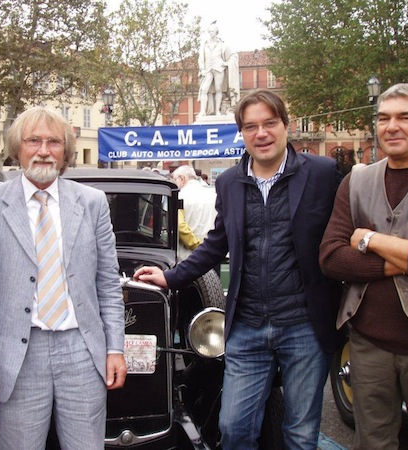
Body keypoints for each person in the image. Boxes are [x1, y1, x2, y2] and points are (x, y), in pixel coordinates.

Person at [134, 89, 343, 449]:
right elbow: (218, 242)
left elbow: (342, 232)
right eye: (251, 126)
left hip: (304, 325)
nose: (261, 133)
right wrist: (170, 276)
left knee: (300, 433)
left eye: (269, 123)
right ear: (242, 133)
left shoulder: (322, 173)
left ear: (285, 126)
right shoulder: (229, 181)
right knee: (233, 428)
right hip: (247, 326)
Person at [0, 106, 127, 449]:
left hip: (82, 351)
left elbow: (108, 284)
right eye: (33, 140)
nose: (43, 149)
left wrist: (115, 348)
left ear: (65, 150)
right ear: (17, 147)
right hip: (17, 357)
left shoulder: (92, 203)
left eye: (53, 141)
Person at [320, 83, 408, 450]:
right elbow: (330, 256)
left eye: (405, 117)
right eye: (384, 118)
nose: (392, 127)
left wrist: (369, 240)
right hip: (368, 343)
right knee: (373, 442)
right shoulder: (356, 181)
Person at [172, 165, 217, 261]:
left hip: (188, 257)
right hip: (213, 253)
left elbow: (179, 225)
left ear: (182, 178)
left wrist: (197, 245)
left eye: (175, 179)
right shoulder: (213, 195)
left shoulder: (180, 196)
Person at [197, 21, 240, 117]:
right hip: (207, 69)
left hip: (219, 68)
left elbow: (233, 55)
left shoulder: (222, 44)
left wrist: (226, 63)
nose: (210, 33)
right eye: (209, 31)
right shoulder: (205, 44)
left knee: (218, 89)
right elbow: (200, 58)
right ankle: (203, 111)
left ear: (216, 32)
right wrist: (202, 68)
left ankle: (217, 111)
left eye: (212, 31)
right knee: (204, 89)